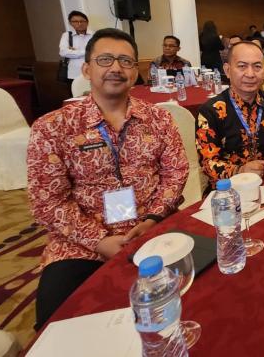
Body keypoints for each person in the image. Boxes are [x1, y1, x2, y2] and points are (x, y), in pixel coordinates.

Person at [28, 28, 188, 330]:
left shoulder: (159, 119)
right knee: (59, 327)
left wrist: (153, 218)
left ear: (135, 72)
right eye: (105, 60)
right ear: (86, 69)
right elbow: (47, 202)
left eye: (126, 61)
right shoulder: (53, 127)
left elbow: (176, 172)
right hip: (81, 244)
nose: (116, 68)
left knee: (200, 296)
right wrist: (99, 240)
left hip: (155, 228)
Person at [196, 41, 264, 185]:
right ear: (227, 70)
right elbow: (207, 164)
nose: (250, 74)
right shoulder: (211, 111)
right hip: (231, 189)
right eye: (242, 66)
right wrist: (240, 171)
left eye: (257, 66)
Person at [58, 10, 93, 84]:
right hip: (74, 74)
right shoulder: (67, 35)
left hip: (92, 72)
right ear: (70, 23)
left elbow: (97, 51)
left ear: (87, 22)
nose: (79, 24)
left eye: (82, 21)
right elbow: (63, 52)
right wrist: (87, 51)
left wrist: (73, 52)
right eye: (75, 21)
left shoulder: (94, 35)